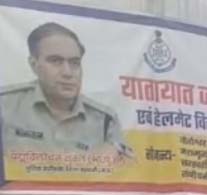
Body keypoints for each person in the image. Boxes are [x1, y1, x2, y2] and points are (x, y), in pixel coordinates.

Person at [1, 22, 129, 156]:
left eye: (75, 63)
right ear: (34, 65)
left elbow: (129, 166)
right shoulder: (5, 105)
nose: (67, 73)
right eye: (56, 61)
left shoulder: (105, 120)